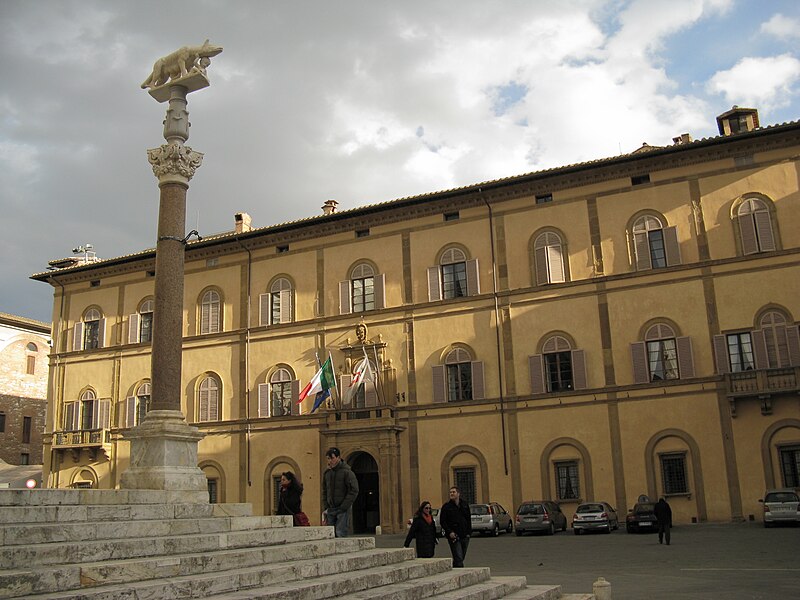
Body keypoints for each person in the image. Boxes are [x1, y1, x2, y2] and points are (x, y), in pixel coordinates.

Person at [322, 447, 359, 537]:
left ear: (338, 458)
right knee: (330, 535)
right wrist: (326, 505)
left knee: (340, 533)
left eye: (332, 458)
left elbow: (354, 490)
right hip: (330, 509)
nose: (330, 461)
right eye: (328, 458)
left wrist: (344, 506)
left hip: (342, 509)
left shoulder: (347, 472)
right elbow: (325, 491)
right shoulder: (327, 473)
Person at [439, 486, 472, 568]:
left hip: (464, 535)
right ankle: (460, 572)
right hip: (454, 535)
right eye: (450, 492)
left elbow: (468, 519)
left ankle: (455, 568)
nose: (451, 494)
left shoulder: (464, 505)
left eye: (453, 492)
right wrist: (449, 532)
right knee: (458, 557)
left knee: (461, 556)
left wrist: (469, 533)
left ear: (458, 494)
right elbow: (442, 521)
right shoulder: (446, 507)